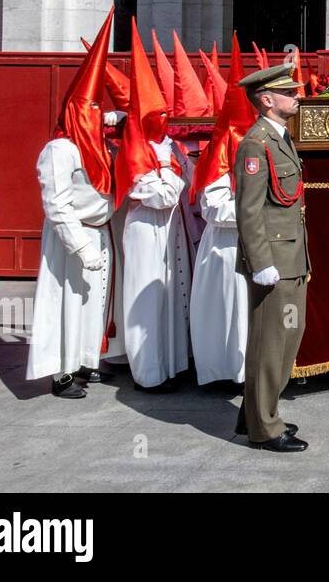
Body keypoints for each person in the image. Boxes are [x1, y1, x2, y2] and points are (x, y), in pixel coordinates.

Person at [26, 10, 124, 396]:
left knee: (94, 304)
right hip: (73, 239)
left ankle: (87, 361)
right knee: (67, 303)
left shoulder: (96, 145)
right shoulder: (60, 149)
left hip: (99, 230)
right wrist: (81, 246)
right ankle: (62, 372)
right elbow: (57, 204)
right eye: (92, 113)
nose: (99, 118)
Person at [235, 63, 310, 452]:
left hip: (291, 256)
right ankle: (264, 428)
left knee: (286, 340)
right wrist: (261, 263)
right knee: (270, 344)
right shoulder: (255, 143)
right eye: (290, 92)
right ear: (267, 100)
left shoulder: (279, 138)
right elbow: (248, 211)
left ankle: (256, 413)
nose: (297, 96)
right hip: (273, 263)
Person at [114, 19, 191, 392]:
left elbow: (174, 186)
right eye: (156, 114)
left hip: (169, 226)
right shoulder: (134, 150)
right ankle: (147, 372)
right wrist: (170, 177)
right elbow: (160, 194)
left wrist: (168, 173)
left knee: (170, 293)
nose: (164, 119)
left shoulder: (166, 148)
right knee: (145, 296)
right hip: (146, 226)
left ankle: (171, 364)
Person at [189, 37, 254, 387]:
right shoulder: (217, 160)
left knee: (246, 311)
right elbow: (214, 209)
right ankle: (223, 370)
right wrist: (254, 211)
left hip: (250, 245)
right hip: (223, 249)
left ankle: (247, 370)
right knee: (225, 310)